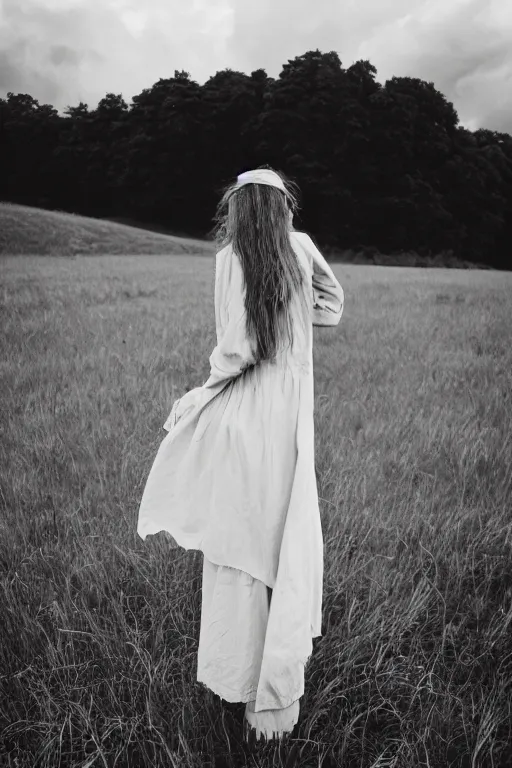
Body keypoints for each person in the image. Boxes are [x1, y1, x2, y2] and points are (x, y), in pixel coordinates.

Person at [137, 165, 344, 744]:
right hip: (290, 426)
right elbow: (333, 305)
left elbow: (238, 347)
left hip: (247, 417)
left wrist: (202, 390)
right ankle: (274, 708)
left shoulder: (230, 259)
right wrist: (299, 309)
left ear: (238, 208)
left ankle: (250, 691)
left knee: (243, 547)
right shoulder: (300, 250)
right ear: (282, 209)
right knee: (285, 542)